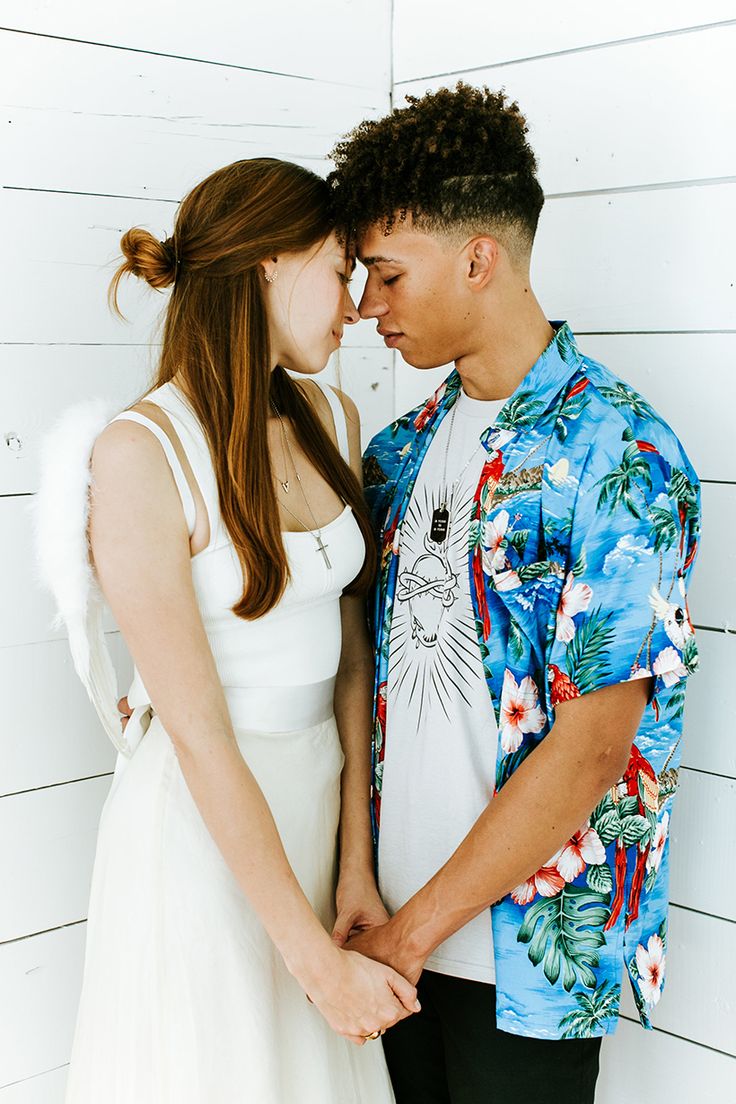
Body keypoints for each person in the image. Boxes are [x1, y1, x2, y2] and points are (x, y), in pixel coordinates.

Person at [324, 83, 702, 1103]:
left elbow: (586, 750)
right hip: (384, 940)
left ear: (477, 258)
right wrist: (367, 901)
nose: (366, 306)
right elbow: (359, 687)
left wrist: (413, 931)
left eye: (387, 274)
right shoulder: (393, 457)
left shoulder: (619, 454)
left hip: (525, 962)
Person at [34, 158, 419, 1103]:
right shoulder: (139, 453)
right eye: (339, 268)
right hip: (201, 830)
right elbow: (201, 734)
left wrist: (355, 865)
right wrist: (315, 964)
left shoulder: (333, 413)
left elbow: (349, 661)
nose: (357, 304)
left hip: (316, 809)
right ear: (268, 263)